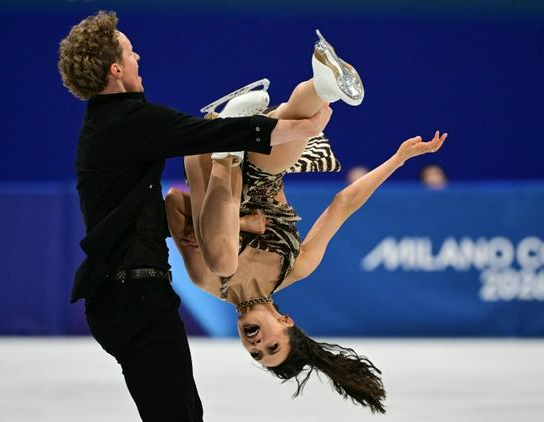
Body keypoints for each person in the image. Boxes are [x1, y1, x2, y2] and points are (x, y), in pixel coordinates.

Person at [57, 11, 331, 422]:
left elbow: (163, 190)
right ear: (115, 69)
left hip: (128, 297)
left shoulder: (112, 123)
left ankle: (310, 94)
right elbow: (208, 134)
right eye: (130, 52)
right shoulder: (126, 122)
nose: (137, 57)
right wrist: (303, 128)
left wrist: (231, 219)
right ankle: (300, 102)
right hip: (133, 297)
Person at [165, 32, 448, 414]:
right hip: (263, 165)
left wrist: (237, 223)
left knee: (223, 260)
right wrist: (398, 159)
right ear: (286, 321)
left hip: (211, 163)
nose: (257, 345)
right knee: (297, 130)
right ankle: (324, 83)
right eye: (272, 346)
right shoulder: (296, 266)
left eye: (256, 354)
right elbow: (341, 206)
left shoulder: (206, 280)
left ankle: (229, 142)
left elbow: (174, 200)